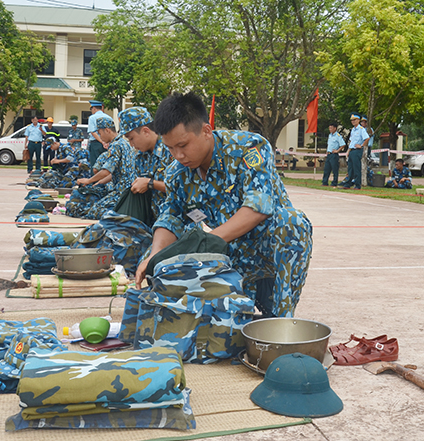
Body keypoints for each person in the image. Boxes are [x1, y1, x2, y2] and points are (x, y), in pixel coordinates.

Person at [134, 92, 313, 318]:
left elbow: (258, 207)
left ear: (206, 131)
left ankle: (280, 324)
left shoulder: (248, 148)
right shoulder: (177, 173)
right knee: (224, 329)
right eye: (170, 148)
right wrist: (155, 255)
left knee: (292, 223)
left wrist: (206, 243)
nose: (178, 155)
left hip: (265, 253)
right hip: (227, 257)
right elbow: (171, 217)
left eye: (183, 145)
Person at [68, 116, 136, 220]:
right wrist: (99, 182)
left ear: (107, 130)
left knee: (94, 212)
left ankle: (121, 212)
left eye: (100, 133)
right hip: (127, 190)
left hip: (121, 192)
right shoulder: (124, 143)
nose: (99, 136)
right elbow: (113, 173)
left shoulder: (116, 146)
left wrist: (89, 180)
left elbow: (105, 171)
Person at [118, 106, 173, 221]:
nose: (131, 144)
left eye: (131, 138)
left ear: (145, 131)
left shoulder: (172, 149)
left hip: (177, 222)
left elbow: (184, 189)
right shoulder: (140, 157)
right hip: (152, 221)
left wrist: (150, 183)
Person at [341, 113, 369, 190]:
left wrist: (362, 145)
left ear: (358, 120)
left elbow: (367, 138)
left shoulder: (361, 129)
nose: (353, 121)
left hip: (357, 150)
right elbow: (351, 141)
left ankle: (357, 184)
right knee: (350, 168)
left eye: (355, 120)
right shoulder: (353, 130)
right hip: (352, 150)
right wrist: (348, 151)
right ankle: (348, 183)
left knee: (356, 168)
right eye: (352, 120)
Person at [87, 100, 112, 167]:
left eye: (91, 109)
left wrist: (102, 142)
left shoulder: (92, 118)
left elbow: (93, 132)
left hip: (96, 143)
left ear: (94, 108)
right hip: (107, 143)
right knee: (106, 164)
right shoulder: (109, 117)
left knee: (95, 165)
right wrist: (106, 142)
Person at [322, 123, 346, 187]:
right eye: (329, 128)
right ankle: (325, 182)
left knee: (334, 169)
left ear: (335, 128)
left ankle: (334, 182)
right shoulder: (330, 135)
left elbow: (343, 144)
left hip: (334, 155)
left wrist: (337, 150)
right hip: (329, 154)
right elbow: (329, 144)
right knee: (326, 169)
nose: (330, 129)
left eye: (331, 128)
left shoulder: (338, 136)